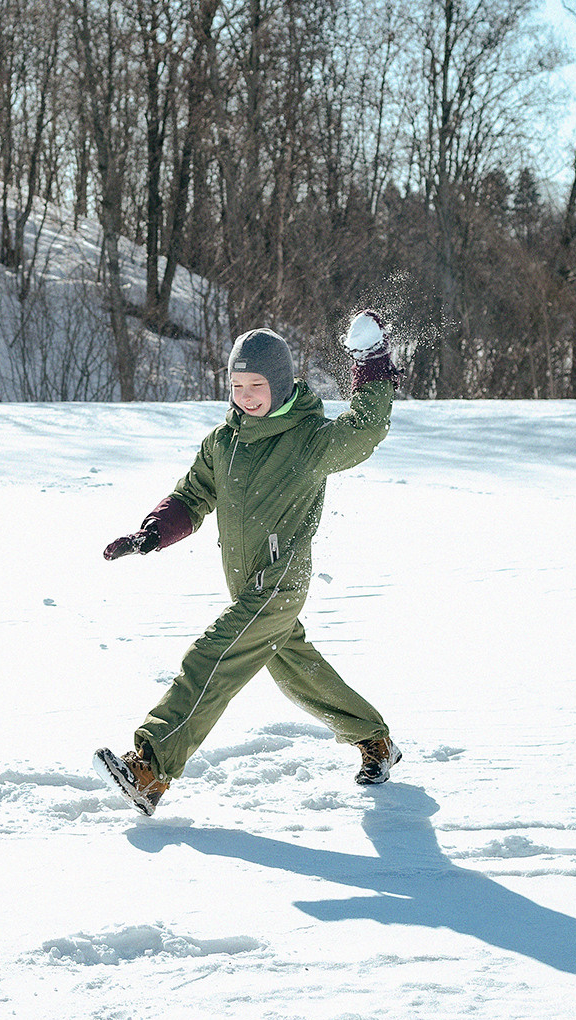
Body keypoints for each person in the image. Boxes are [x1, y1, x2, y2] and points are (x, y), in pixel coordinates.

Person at [97, 315, 402, 814]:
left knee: (210, 660)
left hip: (279, 582)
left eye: (256, 385)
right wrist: (151, 534)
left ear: (279, 384)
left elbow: (365, 429)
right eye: (237, 385)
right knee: (296, 672)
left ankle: (150, 768)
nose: (246, 396)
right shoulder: (224, 442)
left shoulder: (309, 439)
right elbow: (193, 494)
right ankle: (375, 738)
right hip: (246, 586)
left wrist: (371, 367)